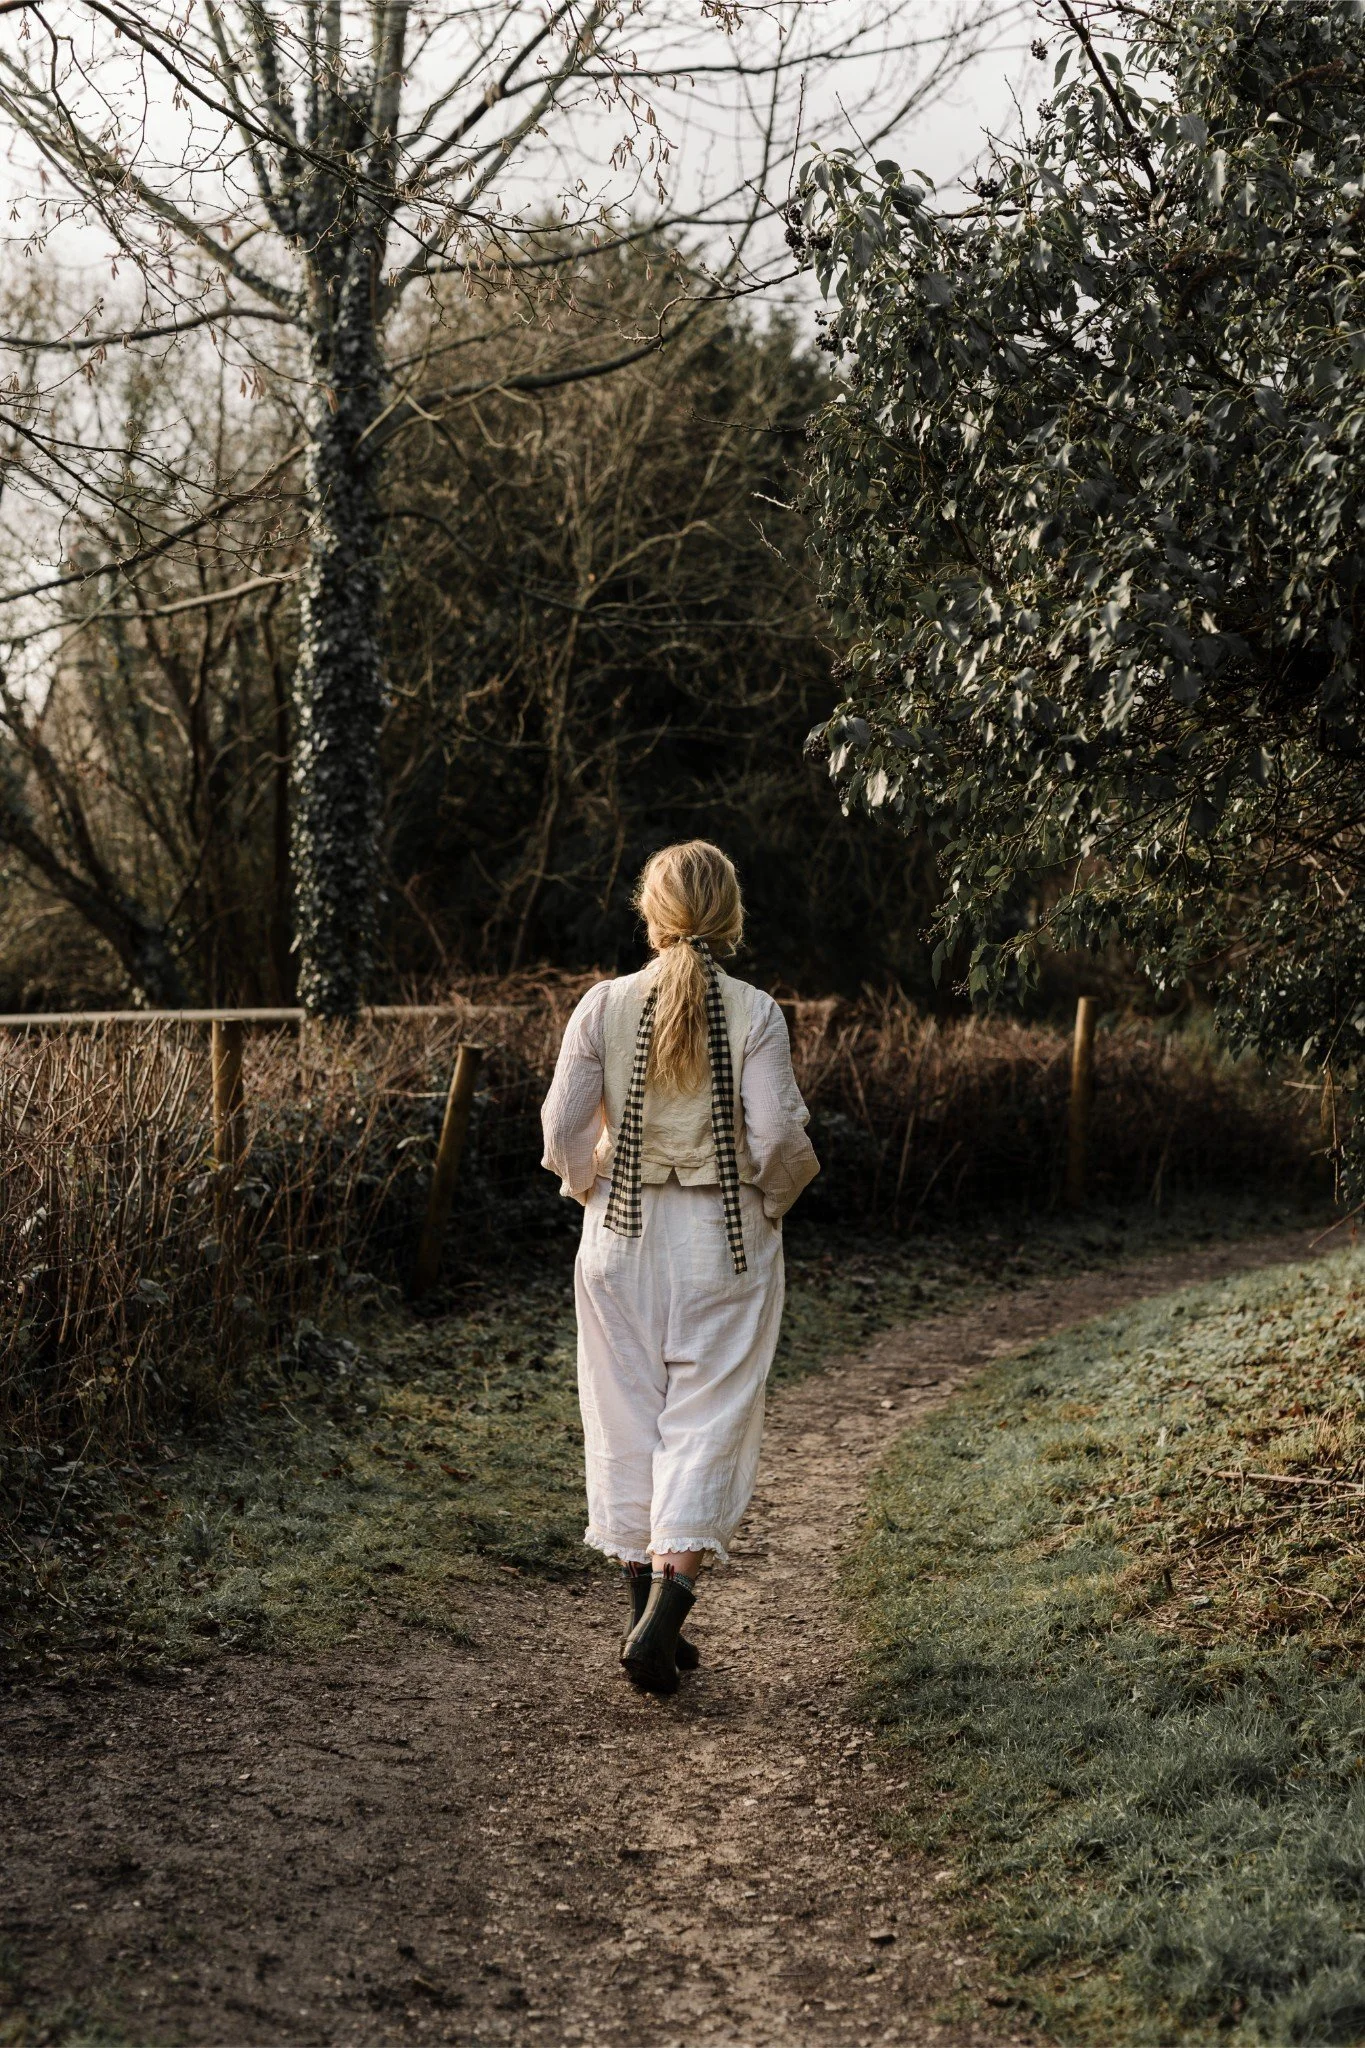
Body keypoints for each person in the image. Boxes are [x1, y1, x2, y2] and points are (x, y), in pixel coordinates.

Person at [540, 840, 819, 1694]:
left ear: (650, 912)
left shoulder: (601, 1004)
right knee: (706, 1416)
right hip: (720, 1241)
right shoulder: (755, 1010)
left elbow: (558, 1129)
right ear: (728, 914)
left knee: (626, 1414)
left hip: (617, 1241)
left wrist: (588, 1184)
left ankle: (642, 1619)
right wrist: (773, 1200)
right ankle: (665, 1612)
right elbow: (775, 1138)